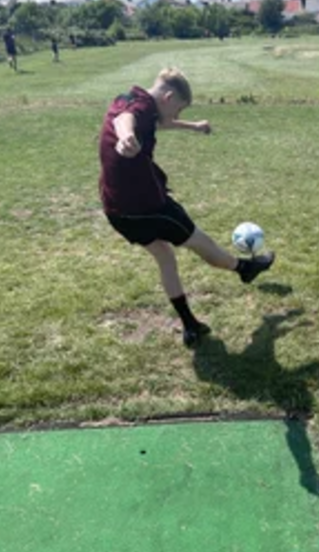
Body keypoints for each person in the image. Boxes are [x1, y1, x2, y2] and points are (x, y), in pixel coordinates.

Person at [98, 67, 276, 347]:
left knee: (165, 257)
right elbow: (125, 121)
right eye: (178, 109)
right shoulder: (139, 109)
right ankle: (244, 268)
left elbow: (152, 121)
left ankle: (189, 324)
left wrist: (191, 126)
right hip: (149, 207)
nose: (177, 116)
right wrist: (125, 137)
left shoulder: (130, 97)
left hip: (117, 210)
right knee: (200, 242)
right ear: (168, 96)